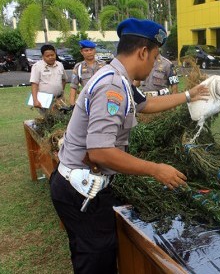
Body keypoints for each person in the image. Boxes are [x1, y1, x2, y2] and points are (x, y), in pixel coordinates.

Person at [49, 18, 209, 274]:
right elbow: (100, 152)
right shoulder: (113, 86)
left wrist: (190, 95)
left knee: (94, 252)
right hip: (80, 192)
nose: (156, 63)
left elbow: (146, 105)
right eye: (155, 56)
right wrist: (156, 169)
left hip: (82, 184)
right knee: (95, 261)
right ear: (143, 52)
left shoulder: (119, 78)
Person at [30, 44, 67, 113]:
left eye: (52, 55)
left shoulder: (60, 65)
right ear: (43, 56)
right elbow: (34, 84)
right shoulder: (37, 66)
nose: (50, 57)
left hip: (58, 99)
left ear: (55, 54)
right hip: (44, 100)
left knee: (61, 119)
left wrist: (61, 92)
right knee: (48, 120)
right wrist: (35, 100)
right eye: (47, 56)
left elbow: (64, 80)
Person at [69, 40, 106, 107]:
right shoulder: (78, 67)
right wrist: (72, 105)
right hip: (87, 101)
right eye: (86, 50)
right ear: (81, 52)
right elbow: (73, 87)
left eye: (91, 50)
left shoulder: (103, 65)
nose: (89, 52)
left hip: (103, 100)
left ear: (95, 51)